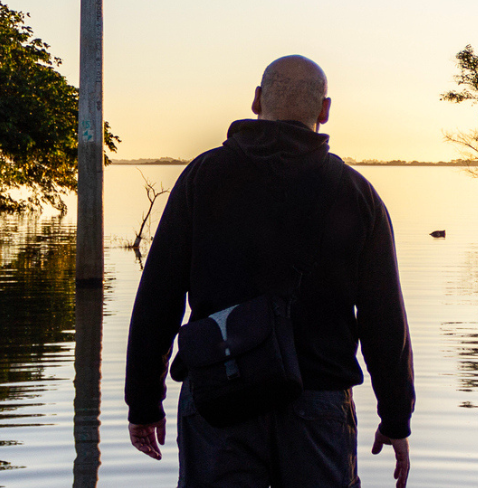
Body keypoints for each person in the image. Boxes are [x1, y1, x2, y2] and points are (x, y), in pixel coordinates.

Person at [124, 55, 415, 488]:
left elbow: (157, 300)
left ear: (257, 100)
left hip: (219, 398)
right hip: (317, 404)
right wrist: (395, 416)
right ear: (324, 110)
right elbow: (384, 319)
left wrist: (144, 404)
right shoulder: (355, 194)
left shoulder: (203, 179)